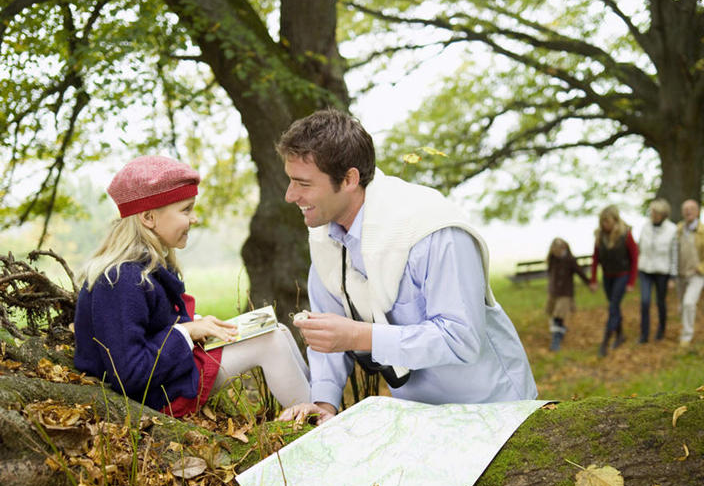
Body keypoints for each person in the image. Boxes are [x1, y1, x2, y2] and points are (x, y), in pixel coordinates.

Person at [275, 109, 537, 425]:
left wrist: (359, 336)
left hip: (497, 409)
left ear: (349, 179)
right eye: (291, 181)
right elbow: (327, 333)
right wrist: (324, 403)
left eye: (302, 183)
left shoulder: (434, 232)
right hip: (418, 417)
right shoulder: (324, 239)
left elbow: (461, 339)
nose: (290, 196)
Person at [73, 155, 310, 417]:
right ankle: (316, 428)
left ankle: (315, 408)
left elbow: (153, 326)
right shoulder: (120, 280)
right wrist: (186, 332)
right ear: (149, 217)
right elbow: (130, 373)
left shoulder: (143, 267)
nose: (194, 219)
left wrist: (197, 325)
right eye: (186, 210)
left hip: (169, 373)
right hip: (156, 395)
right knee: (271, 341)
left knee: (276, 329)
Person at [589, 205, 639, 357]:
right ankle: (621, 335)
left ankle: (605, 341)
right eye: (603, 222)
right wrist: (593, 280)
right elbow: (595, 258)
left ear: (615, 221)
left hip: (622, 276)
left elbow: (634, 258)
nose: (605, 225)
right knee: (614, 307)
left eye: (608, 222)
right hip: (607, 276)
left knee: (613, 307)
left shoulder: (626, 234)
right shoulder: (600, 236)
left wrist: (631, 282)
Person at [675, 199, 704, 347]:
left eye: (691, 209)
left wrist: (701, 268)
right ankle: (686, 328)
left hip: (697, 275)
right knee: (682, 307)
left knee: (688, 303)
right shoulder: (678, 229)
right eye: (685, 209)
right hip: (680, 274)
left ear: (697, 211)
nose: (688, 212)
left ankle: (686, 336)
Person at [637, 198, 678, 343]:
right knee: (645, 301)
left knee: (660, 302)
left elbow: (674, 254)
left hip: (662, 271)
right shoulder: (645, 227)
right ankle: (644, 334)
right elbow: (640, 247)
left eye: (656, 212)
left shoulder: (672, 229)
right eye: (652, 212)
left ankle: (661, 330)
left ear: (663, 214)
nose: (653, 214)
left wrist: (673, 277)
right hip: (645, 270)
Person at [545, 237, 590, 351]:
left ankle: (556, 339)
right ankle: (560, 330)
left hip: (565, 293)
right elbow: (550, 273)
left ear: (564, 248)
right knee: (553, 314)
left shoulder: (570, 260)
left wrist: (589, 283)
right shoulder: (552, 259)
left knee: (558, 315)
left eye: (558, 250)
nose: (556, 252)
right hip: (554, 292)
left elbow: (580, 272)